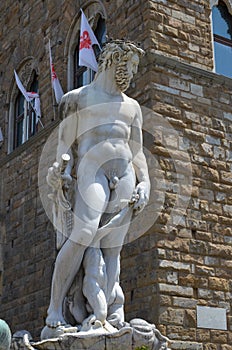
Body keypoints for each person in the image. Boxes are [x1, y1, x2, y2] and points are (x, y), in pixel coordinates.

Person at [45, 40, 151, 330]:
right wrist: (60, 171)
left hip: (125, 173)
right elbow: (64, 145)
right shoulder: (77, 98)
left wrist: (146, 183)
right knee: (84, 233)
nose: (131, 73)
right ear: (112, 61)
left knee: (113, 246)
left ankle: (111, 313)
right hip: (92, 169)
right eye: (129, 66)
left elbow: (137, 150)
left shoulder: (132, 107)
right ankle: (55, 309)